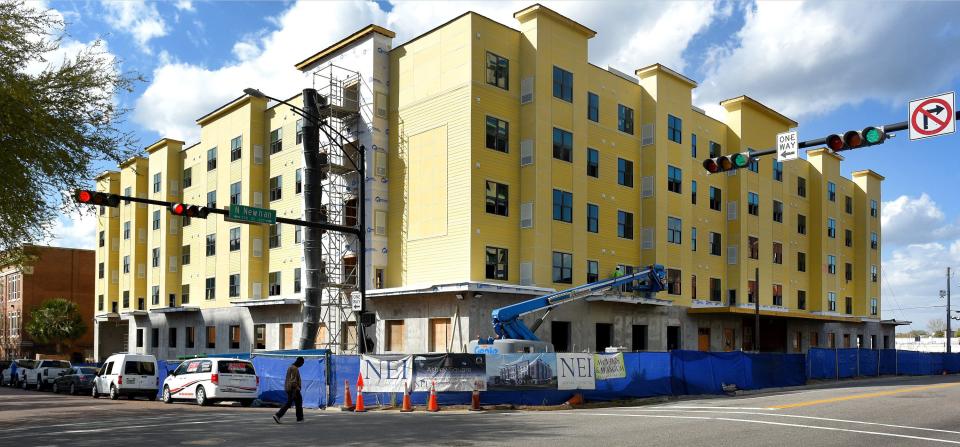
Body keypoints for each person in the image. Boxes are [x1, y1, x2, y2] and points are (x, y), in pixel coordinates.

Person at [273, 357, 304, 424]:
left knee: (296, 402)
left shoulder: (291, 367)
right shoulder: (294, 369)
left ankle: (300, 418)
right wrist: (297, 388)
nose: (302, 365)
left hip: (289, 388)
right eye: (302, 364)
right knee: (294, 403)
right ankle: (278, 415)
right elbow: (293, 380)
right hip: (294, 389)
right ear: (300, 362)